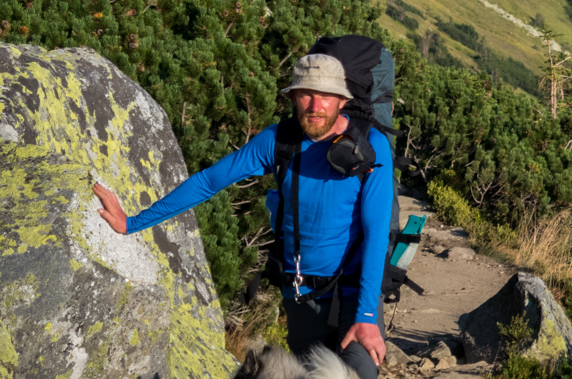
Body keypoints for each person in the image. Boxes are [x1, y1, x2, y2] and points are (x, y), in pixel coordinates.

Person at [94, 54, 393, 378]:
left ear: (342, 100)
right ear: (292, 96)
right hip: (300, 294)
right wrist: (132, 223)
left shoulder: (371, 148)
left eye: (326, 96)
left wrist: (365, 315)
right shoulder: (279, 141)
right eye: (306, 93)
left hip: (354, 292)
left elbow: (376, 232)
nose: (315, 105)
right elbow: (209, 181)